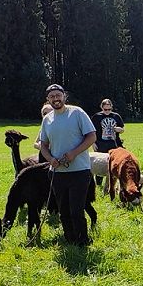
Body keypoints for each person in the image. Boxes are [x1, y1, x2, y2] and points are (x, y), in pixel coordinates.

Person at [39, 84, 97, 246]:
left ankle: (83, 241)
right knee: (63, 210)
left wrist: (73, 153)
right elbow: (43, 145)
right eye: (52, 96)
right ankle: (69, 240)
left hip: (79, 171)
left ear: (64, 96)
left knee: (76, 210)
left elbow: (91, 137)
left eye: (58, 95)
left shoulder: (77, 113)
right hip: (57, 172)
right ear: (48, 99)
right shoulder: (47, 119)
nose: (56, 99)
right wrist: (50, 159)